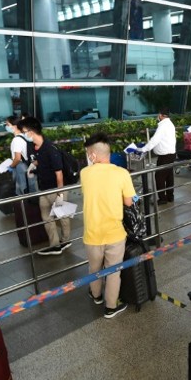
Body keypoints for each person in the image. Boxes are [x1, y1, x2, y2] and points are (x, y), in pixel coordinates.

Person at [81, 133, 135, 319]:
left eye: (89, 153)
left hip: (92, 233)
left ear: (94, 156)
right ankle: (111, 307)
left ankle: (95, 295)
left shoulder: (85, 173)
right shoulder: (122, 173)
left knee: (94, 268)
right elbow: (129, 202)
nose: (88, 156)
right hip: (114, 233)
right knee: (113, 271)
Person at [19, 117, 72, 256]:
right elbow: (39, 160)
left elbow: (59, 174)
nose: (23, 135)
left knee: (63, 216)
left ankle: (66, 241)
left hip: (56, 189)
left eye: (24, 132)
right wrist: (33, 166)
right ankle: (54, 245)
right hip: (43, 189)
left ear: (31, 132)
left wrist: (60, 194)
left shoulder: (50, 148)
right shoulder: (34, 147)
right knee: (46, 217)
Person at [138, 108, 176, 205]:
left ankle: (162, 199)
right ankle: (170, 196)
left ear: (161, 115)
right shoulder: (170, 124)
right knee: (169, 176)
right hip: (171, 154)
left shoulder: (163, 126)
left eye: (158, 114)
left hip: (165, 156)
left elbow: (155, 140)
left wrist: (143, 149)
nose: (157, 116)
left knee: (159, 177)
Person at [4, 116, 37, 195]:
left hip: (21, 168)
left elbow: (17, 158)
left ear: (15, 126)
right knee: (31, 188)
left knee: (23, 190)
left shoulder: (16, 140)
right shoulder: (24, 136)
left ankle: (25, 206)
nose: (6, 127)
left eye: (8, 125)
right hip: (29, 165)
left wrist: (11, 166)